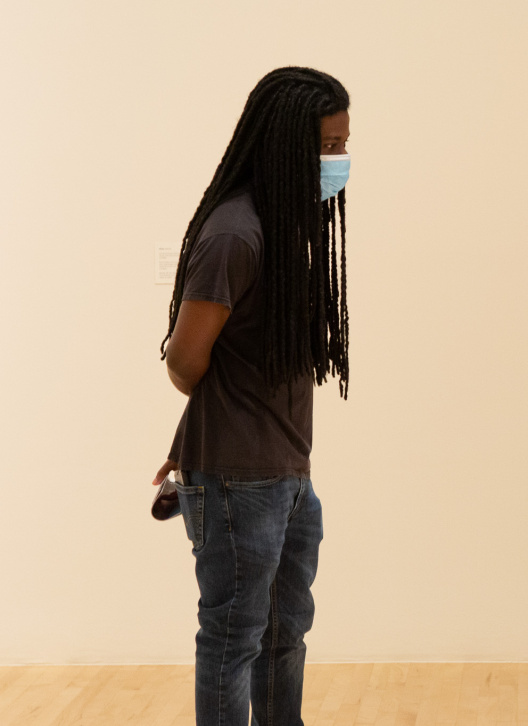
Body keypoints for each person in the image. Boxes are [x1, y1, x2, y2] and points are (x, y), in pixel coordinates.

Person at [151, 66, 352, 726]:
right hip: (240, 484)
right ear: (286, 147)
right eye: (327, 147)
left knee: (282, 638)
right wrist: (204, 446)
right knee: (233, 643)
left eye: (343, 145)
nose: (339, 162)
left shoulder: (286, 225)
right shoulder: (236, 235)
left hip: (287, 475)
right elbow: (185, 360)